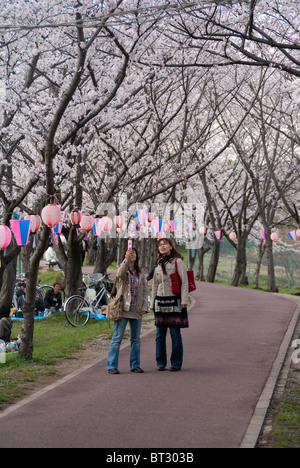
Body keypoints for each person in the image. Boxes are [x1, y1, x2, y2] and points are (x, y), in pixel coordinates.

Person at [107, 248, 148, 375]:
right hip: (123, 309)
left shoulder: (140, 271)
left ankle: (135, 365)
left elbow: (145, 290)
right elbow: (119, 274)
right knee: (117, 338)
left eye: (134, 253)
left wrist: (145, 307)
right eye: (129, 253)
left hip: (136, 309)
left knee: (136, 339)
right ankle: (111, 365)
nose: (132, 255)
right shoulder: (123, 267)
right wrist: (126, 260)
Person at [150, 238, 189, 372]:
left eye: (165, 244)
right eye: (160, 245)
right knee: (159, 334)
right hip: (160, 302)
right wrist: (152, 303)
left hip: (174, 301)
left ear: (171, 247)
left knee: (175, 334)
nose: (162, 246)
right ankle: (160, 362)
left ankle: (176, 363)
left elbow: (184, 282)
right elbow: (155, 284)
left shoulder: (178, 262)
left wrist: (184, 301)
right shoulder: (158, 264)